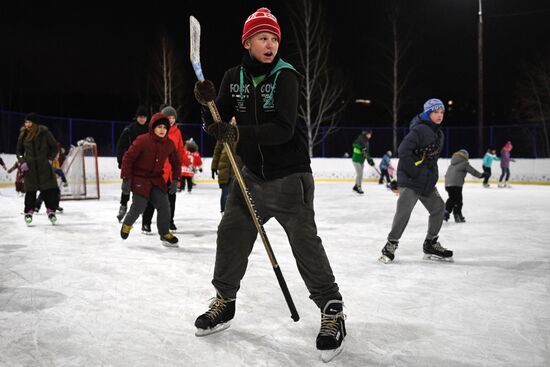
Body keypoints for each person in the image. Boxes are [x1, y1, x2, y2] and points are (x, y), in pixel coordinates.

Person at [193, 7, 346, 360]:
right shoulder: (233, 77)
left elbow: (283, 129)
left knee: (306, 245)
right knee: (231, 232)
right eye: (263, 37)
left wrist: (237, 132)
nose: (270, 44)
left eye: (275, 38)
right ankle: (225, 301)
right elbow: (216, 125)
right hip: (253, 179)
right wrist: (205, 105)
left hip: (291, 178)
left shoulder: (285, 76)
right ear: (248, 42)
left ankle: (332, 309)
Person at [379, 99, 453, 263]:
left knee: (439, 208)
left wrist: (432, 177)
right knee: (403, 213)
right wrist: (413, 172)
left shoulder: (439, 134)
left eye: (442, 112)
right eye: (436, 112)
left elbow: (431, 160)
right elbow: (403, 151)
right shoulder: (419, 130)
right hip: (411, 181)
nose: (440, 115)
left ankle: (430, 243)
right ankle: (390, 244)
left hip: (426, 183)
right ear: (428, 113)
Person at [119, 112, 181, 247]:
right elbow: (128, 159)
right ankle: (127, 223)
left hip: (156, 179)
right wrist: (126, 179)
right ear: (153, 127)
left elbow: (176, 162)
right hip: (140, 178)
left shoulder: (169, 143)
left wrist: (175, 179)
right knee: (139, 207)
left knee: (164, 206)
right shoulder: (142, 140)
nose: (162, 130)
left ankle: (164, 233)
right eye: (159, 127)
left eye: (164, 128)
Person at [141, 106, 189, 233]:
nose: (171, 120)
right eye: (169, 118)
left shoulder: (177, 132)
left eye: (173, 118)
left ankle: (169, 221)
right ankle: (146, 223)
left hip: (171, 172)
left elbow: (180, 150)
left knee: (171, 198)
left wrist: (187, 162)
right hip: (157, 171)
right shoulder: (157, 131)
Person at [15, 113, 60, 225]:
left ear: (34, 123)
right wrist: (22, 162)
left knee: (47, 191)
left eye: (29, 122)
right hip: (30, 169)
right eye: (26, 122)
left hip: (44, 167)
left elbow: (54, 147)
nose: (27, 124)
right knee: (30, 192)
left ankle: (51, 211)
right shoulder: (23, 134)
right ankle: (29, 213)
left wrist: (50, 159)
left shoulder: (45, 133)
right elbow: (19, 152)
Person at [115, 106, 149, 222]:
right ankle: (123, 207)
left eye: (144, 117)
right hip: (129, 163)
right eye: (140, 117)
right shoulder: (129, 129)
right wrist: (120, 161)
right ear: (136, 117)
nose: (142, 119)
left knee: (141, 188)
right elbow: (121, 146)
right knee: (126, 186)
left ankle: (141, 208)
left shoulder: (150, 130)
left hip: (143, 165)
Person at [443, 149, 486, 223]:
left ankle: (445, 213)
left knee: (452, 198)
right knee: (458, 200)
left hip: (447, 184)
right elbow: (473, 171)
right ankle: (457, 215)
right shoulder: (464, 163)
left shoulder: (452, 164)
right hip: (456, 184)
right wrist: (481, 175)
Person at [211, 135, 242, 214]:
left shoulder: (244, 131)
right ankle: (224, 215)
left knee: (238, 196)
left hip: (239, 170)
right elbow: (217, 150)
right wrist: (214, 166)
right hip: (225, 169)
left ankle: (236, 216)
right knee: (225, 193)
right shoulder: (224, 132)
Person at [351, 129, 374, 194]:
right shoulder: (360, 138)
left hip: (362, 160)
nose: (370, 136)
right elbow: (354, 145)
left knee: (360, 174)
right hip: (356, 160)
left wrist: (370, 160)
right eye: (369, 134)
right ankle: (359, 187)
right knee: (360, 174)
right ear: (366, 134)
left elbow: (367, 153)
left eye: (371, 134)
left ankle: (355, 186)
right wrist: (361, 148)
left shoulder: (367, 142)